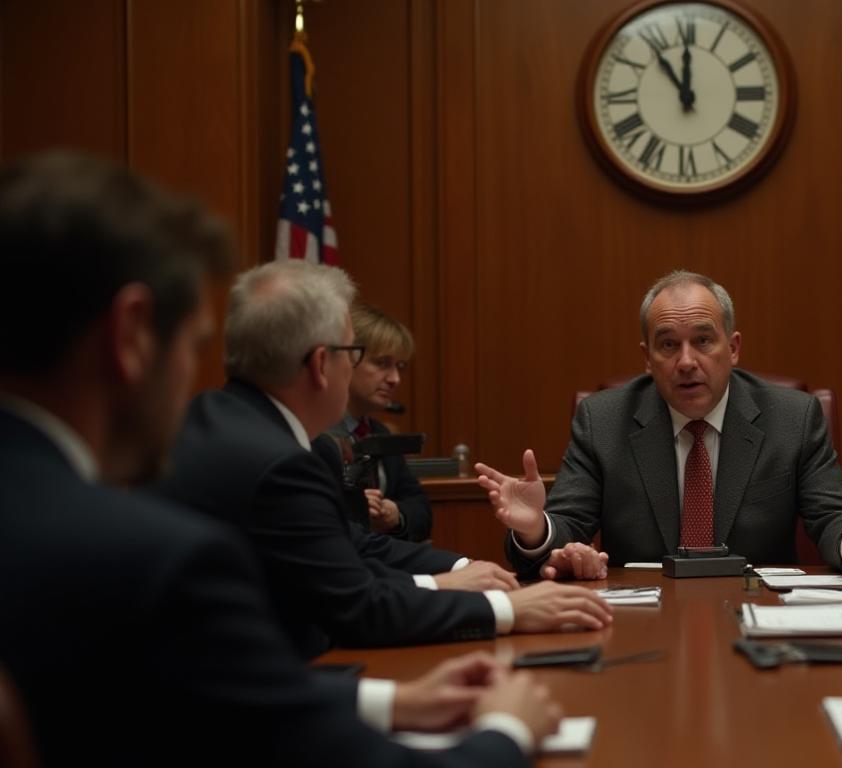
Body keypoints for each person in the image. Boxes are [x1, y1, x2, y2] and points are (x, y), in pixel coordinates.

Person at [0, 151, 558, 767]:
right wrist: (507, 729)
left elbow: (199, 696)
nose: (189, 375)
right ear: (130, 335)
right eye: (192, 344)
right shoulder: (150, 560)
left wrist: (387, 701)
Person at [159, 259, 611, 658]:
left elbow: (346, 547)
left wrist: (458, 571)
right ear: (321, 364)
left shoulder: (220, 419)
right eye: (354, 352)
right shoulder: (279, 463)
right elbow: (355, 607)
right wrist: (505, 608)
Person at [476, 270, 842, 580]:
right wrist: (536, 530)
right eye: (668, 345)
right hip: (643, 621)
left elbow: (831, 518)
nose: (687, 361)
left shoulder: (794, 418)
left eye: (703, 340)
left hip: (756, 608)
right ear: (647, 357)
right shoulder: (603, 421)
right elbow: (568, 525)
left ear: (733, 348)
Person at [314, 303, 432, 541]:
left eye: (399, 367)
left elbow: (421, 510)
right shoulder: (314, 432)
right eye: (382, 363)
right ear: (347, 359)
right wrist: (354, 507)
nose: (395, 379)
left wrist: (396, 514)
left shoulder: (379, 433)